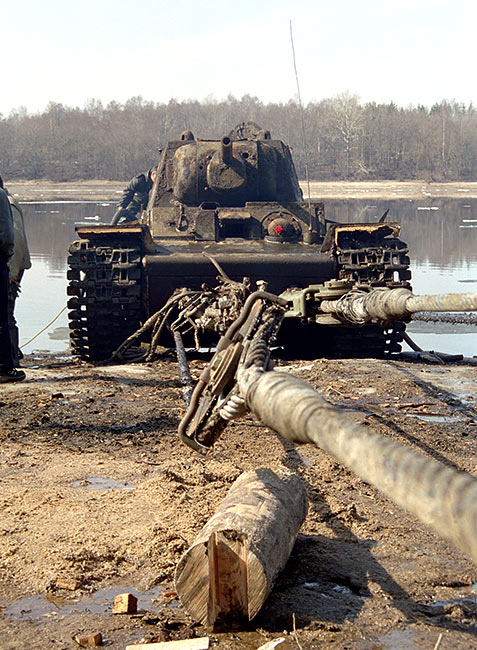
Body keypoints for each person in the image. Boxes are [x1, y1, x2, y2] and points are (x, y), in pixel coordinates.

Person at [1, 177, 31, 366]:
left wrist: (11, 273)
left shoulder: (7, 203)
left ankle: (10, 360)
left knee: (6, 313)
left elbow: (15, 238)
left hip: (10, 265)